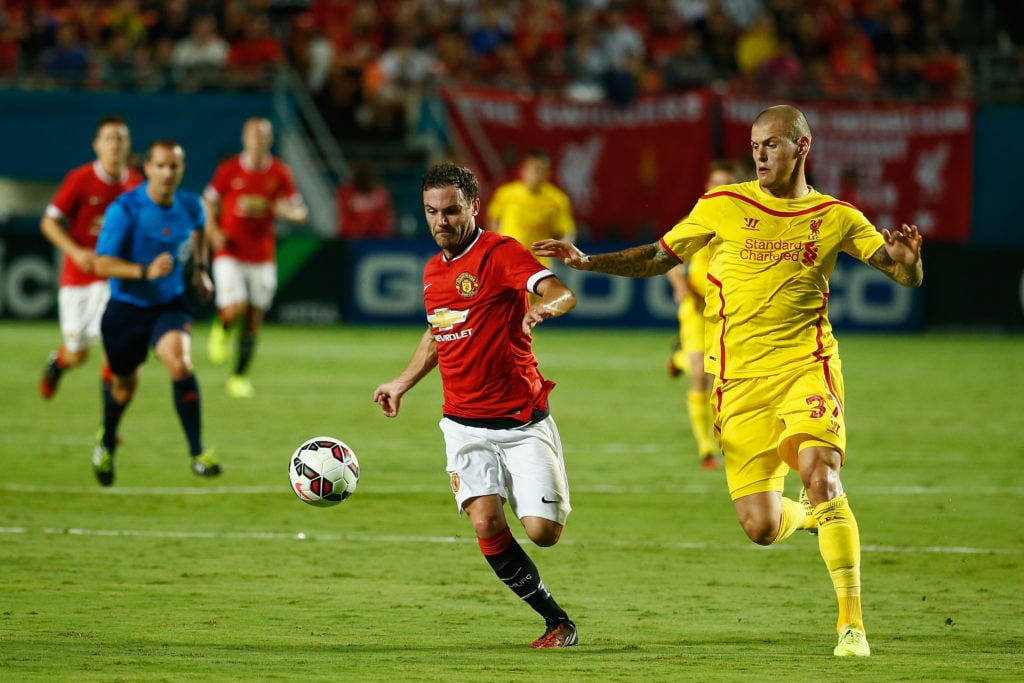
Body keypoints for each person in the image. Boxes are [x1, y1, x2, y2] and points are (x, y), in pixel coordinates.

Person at [535, 104, 924, 658]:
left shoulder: (836, 215)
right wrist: (589, 261)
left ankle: (851, 626)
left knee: (821, 475)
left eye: (771, 144)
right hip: (738, 383)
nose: (760, 154)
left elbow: (900, 272)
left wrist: (909, 264)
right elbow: (657, 256)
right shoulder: (722, 204)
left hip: (804, 367)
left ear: (801, 147)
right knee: (760, 526)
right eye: (755, 145)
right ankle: (810, 518)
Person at [373, 161, 580, 649]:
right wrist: (402, 382)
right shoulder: (431, 272)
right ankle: (557, 622)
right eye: (431, 212)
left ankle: (535, 488)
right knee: (486, 520)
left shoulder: (501, 253)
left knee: (543, 532)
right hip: (463, 424)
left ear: (473, 206)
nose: (440, 221)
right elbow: (438, 332)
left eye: (450, 211)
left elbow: (562, 292)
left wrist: (544, 307)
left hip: (521, 420)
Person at [93, 139, 221, 486]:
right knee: (123, 387)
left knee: (180, 363)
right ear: (147, 168)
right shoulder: (126, 209)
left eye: (174, 166)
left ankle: (197, 453)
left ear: (182, 169)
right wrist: (144, 271)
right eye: (161, 166)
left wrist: (201, 270)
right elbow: (101, 262)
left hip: (169, 304)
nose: (167, 173)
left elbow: (199, 235)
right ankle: (107, 443)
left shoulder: (191, 205)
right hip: (127, 309)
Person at [39, 114, 144, 401]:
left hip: (116, 281)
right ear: (97, 145)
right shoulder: (80, 179)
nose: (115, 145)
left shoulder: (136, 185)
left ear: (128, 145)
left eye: (120, 139)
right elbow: (48, 223)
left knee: (118, 351)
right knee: (78, 354)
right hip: (80, 279)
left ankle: (108, 428)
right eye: (109, 139)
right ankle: (58, 363)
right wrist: (75, 251)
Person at [203, 117, 308, 398]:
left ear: (269, 140)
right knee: (235, 307)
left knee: (254, 318)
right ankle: (222, 326)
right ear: (245, 138)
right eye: (253, 135)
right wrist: (213, 231)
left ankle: (238, 377)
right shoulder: (229, 170)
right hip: (231, 251)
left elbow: (300, 211)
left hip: (261, 255)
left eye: (263, 136)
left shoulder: (280, 173)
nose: (258, 140)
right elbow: (208, 200)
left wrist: (286, 212)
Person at [665, 160, 745, 471]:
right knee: (701, 376)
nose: (718, 189)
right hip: (697, 309)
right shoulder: (697, 220)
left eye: (726, 184)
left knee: (724, 380)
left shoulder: (749, 223)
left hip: (729, 312)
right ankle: (705, 451)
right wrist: (681, 285)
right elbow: (672, 258)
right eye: (715, 183)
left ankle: (679, 359)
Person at [486, 149, 575, 266]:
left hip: (538, 265)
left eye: (543, 170)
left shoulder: (557, 200)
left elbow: (567, 231)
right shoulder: (506, 193)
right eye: (535, 169)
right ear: (524, 170)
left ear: (548, 172)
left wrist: (561, 249)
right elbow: (493, 220)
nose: (538, 174)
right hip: (507, 260)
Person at [335, 159, 395, 239]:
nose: (363, 177)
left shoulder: (380, 194)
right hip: (350, 239)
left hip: (376, 239)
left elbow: (385, 221)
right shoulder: (345, 192)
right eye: (361, 174)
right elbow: (344, 219)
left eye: (365, 174)